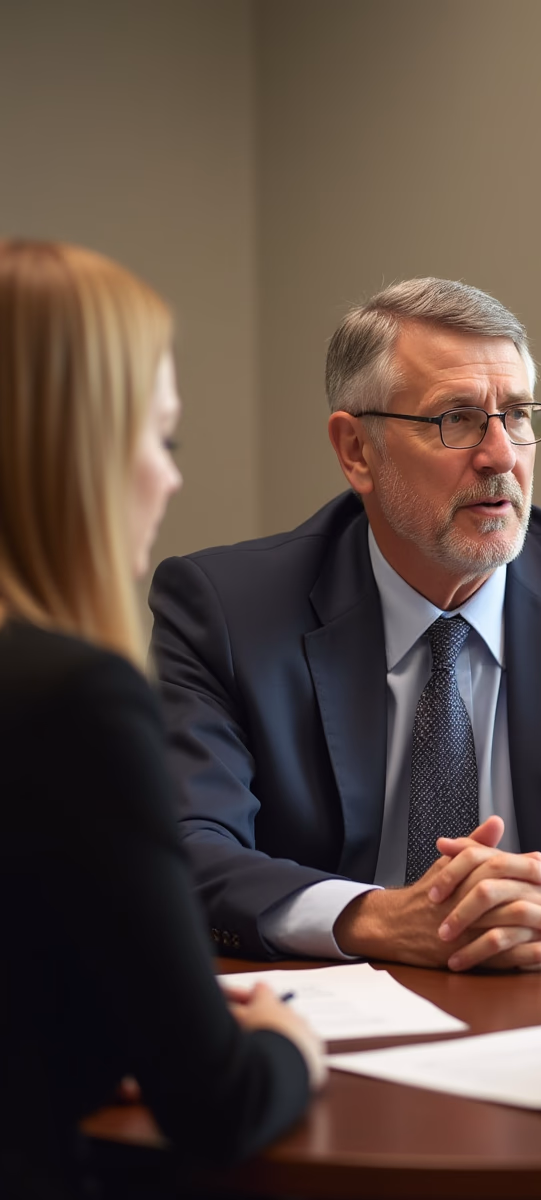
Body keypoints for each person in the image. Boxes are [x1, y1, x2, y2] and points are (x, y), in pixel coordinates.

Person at [149, 277, 541, 970]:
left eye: (516, 415)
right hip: (326, 1018)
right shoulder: (227, 609)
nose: (500, 455)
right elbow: (184, 844)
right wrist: (373, 917)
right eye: (455, 419)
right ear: (356, 451)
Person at [0, 239, 324, 1199]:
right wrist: (284, 1041)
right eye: (163, 438)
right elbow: (214, 1101)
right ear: (80, 448)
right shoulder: (74, 704)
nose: (172, 479)